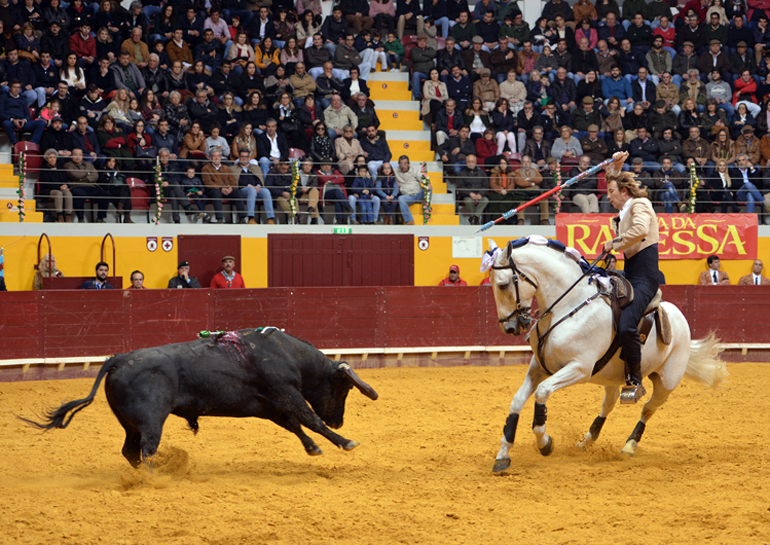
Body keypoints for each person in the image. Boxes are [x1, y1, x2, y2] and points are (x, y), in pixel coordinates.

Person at [602, 150, 659, 404]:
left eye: (612, 192)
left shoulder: (640, 204)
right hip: (630, 273)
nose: (608, 196)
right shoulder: (625, 209)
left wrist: (614, 243)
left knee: (626, 324)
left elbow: (641, 229)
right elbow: (614, 182)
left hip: (645, 277)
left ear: (624, 192)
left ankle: (634, 380)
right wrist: (614, 168)